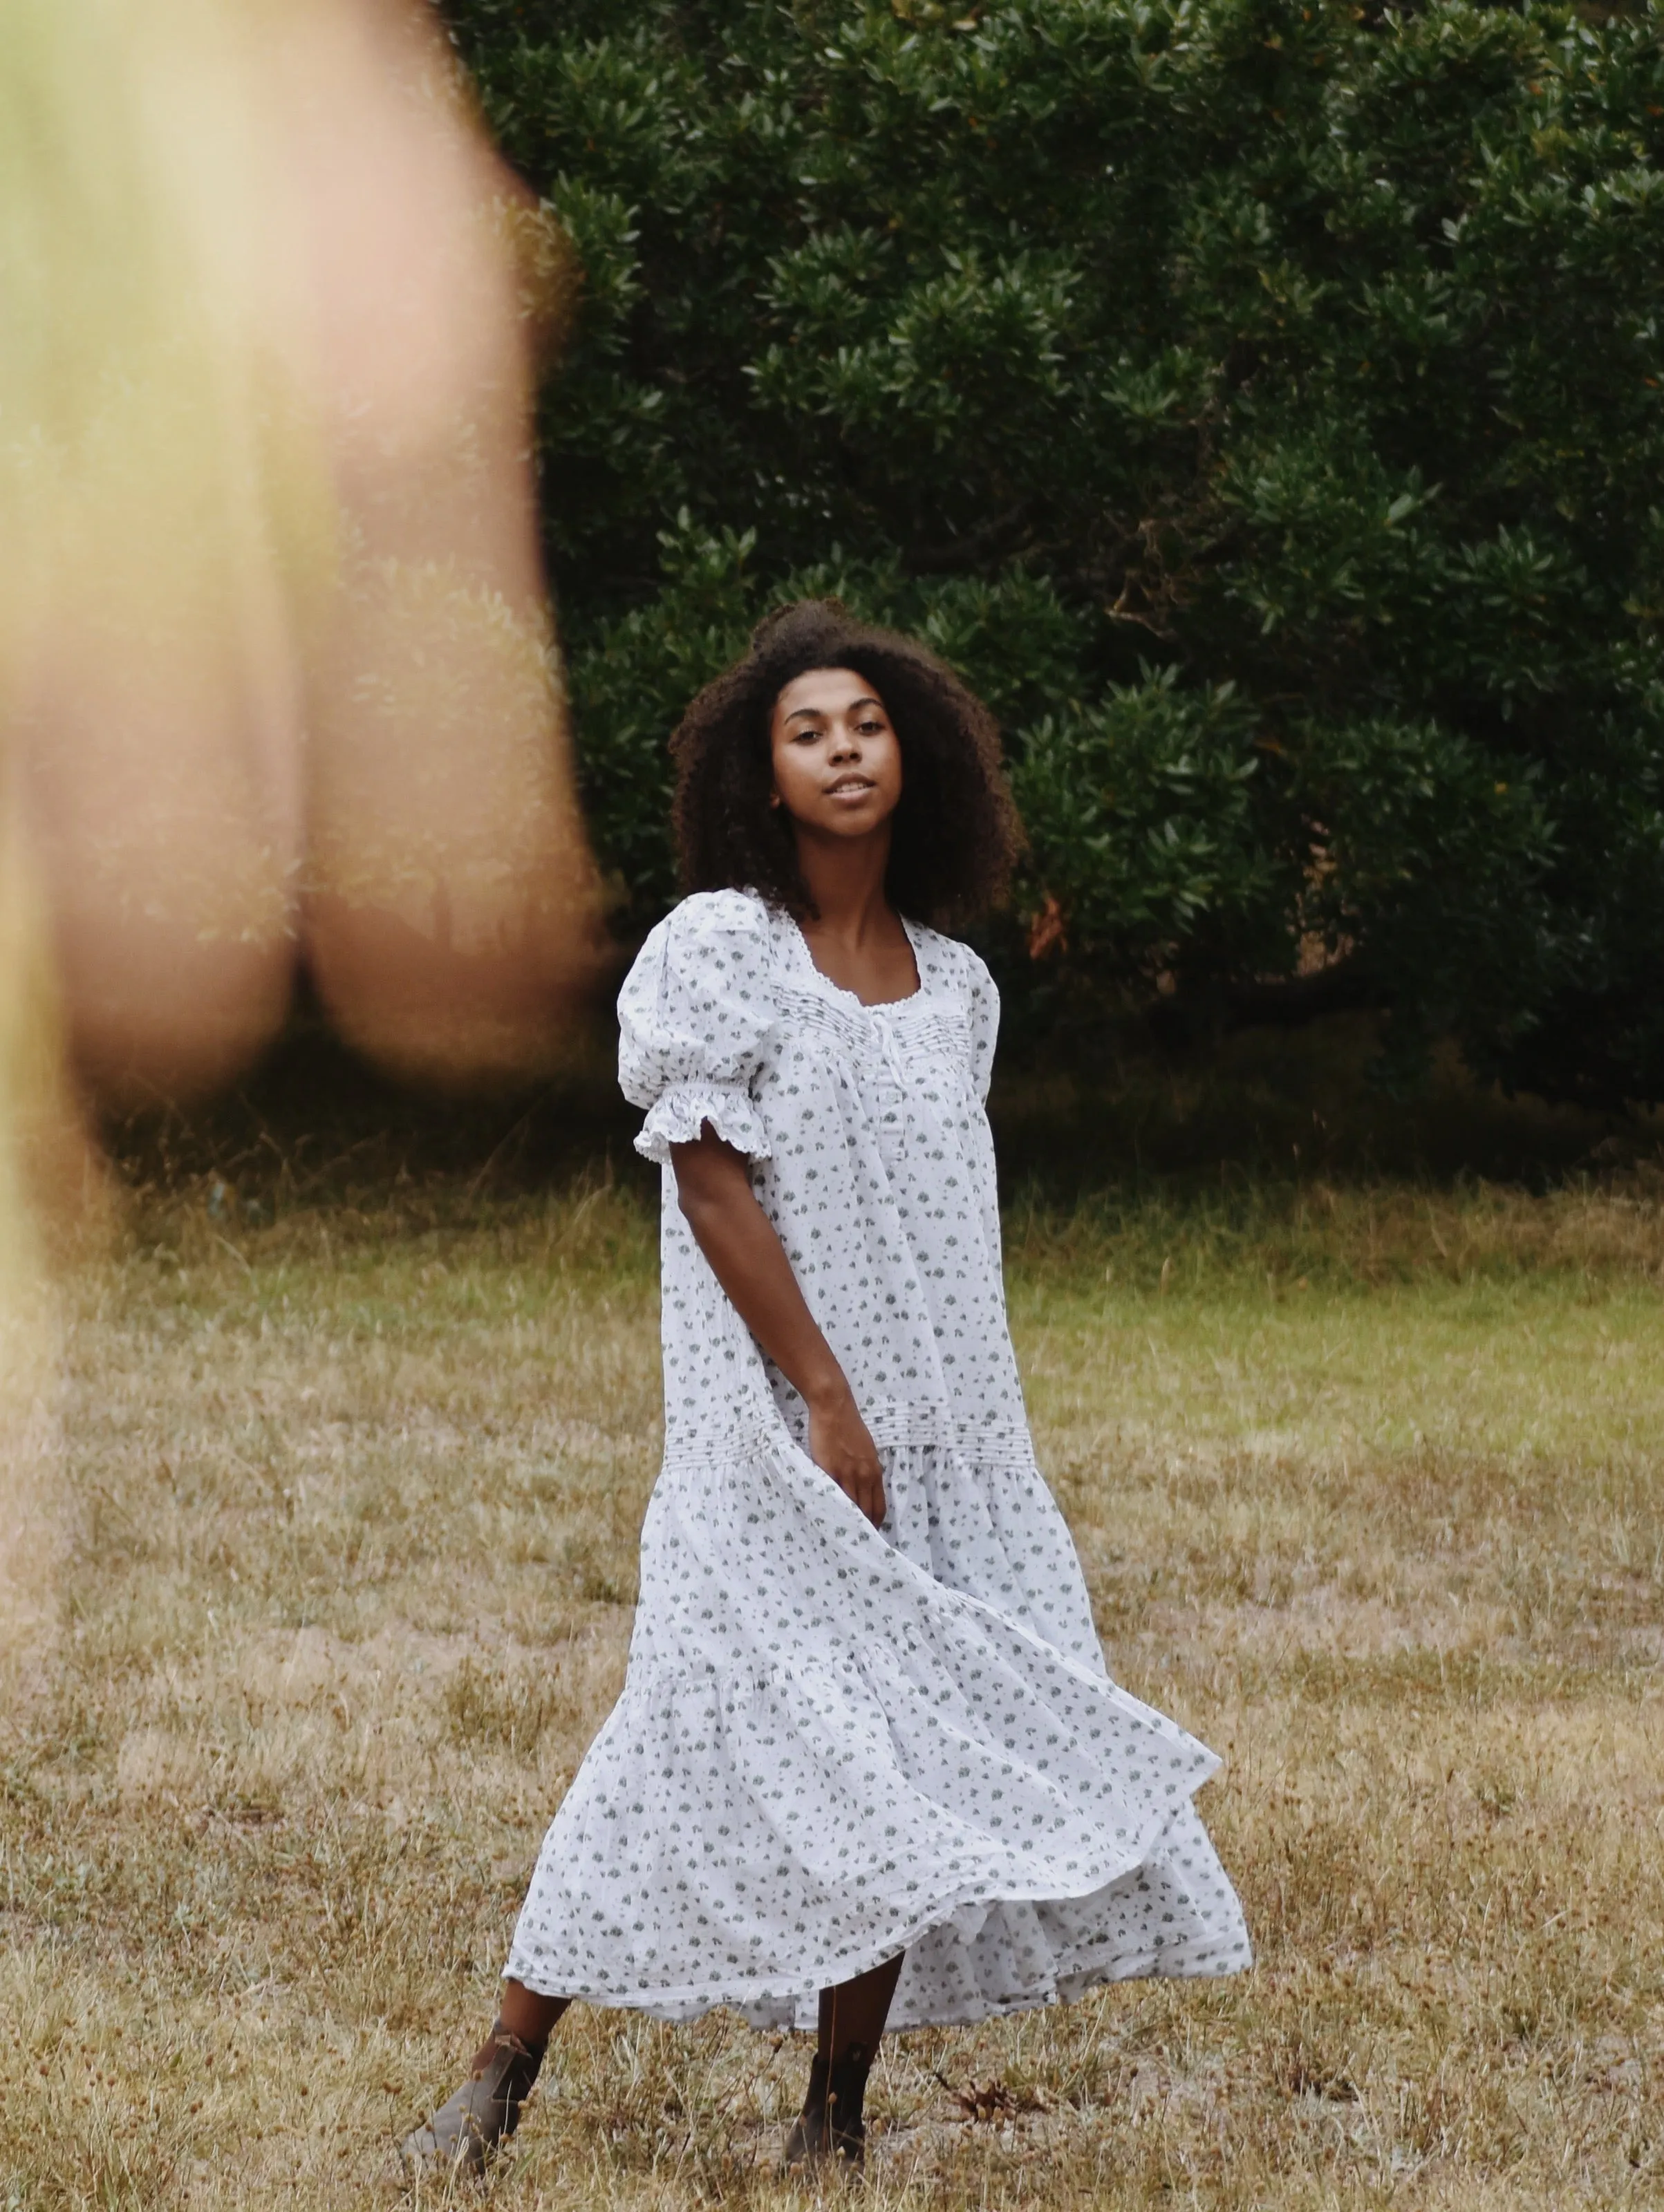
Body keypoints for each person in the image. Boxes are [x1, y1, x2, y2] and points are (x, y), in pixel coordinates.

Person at [400, 600, 1251, 2180]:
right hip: (776, 1435)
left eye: (866, 724)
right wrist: (825, 1399)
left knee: (906, 1769)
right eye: (810, 731)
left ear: (912, 757)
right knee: (676, 1729)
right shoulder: (718, 949)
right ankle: (496, 2078)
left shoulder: (958, 987)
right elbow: (712, 1183)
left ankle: (832, 2124)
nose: (844, 749)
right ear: (764, 773)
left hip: (942, 1433)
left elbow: (948, 1227)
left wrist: (934, 1423)